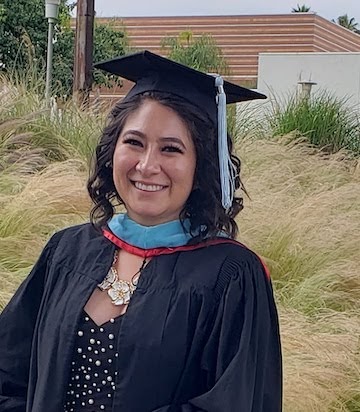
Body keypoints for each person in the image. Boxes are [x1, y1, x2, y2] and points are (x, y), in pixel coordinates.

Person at [0, 51, 282, 412]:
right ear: (112, 151)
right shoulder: (66, 251)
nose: (148, 166)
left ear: (202, 165)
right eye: (134, 142)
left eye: (171, 149)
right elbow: (9, 372)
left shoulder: (231, 276)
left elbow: (235, 401)